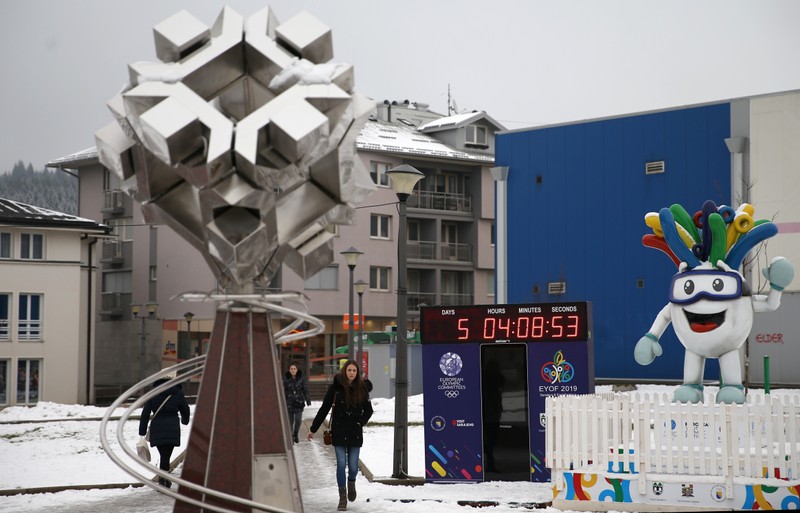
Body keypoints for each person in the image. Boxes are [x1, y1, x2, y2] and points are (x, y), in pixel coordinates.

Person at [307, 360, 373, 511]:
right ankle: (342, 498)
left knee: (354, 467)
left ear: (357, 373)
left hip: (355, 432)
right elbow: (324, 409)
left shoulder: (362, 389)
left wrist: (360, 423)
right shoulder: (335, 389)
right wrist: (313, 428)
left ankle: (351, 482)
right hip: (339, 430)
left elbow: (368, 411)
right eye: (349, 370)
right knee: (342, 464)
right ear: (345, 371)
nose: (351, 373)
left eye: (354, 371)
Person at [138, 372, 190, 488]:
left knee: (163, 454)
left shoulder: (153, 393)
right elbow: (185, 409)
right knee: (166, 455)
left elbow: (145, 413)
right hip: (172, 427)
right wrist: (185, 421)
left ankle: (163, 479)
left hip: (157, 427)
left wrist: (142, 431)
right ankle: (164, 479)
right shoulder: (178, 393)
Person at [283, 362, 311, 443]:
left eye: (294, 369)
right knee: (290, 421)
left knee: (298, 420)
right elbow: (283, 391)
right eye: (291, 369)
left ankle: (295, 433)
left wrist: (308, 400)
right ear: (289, 370)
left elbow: (305, 390)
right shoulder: (286, 379)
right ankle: (291, 436)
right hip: (289, 402)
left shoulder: (301, 378)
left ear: (297, 370)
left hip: (299, 402)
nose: (293, 370)